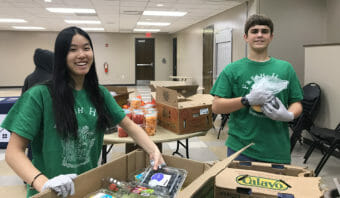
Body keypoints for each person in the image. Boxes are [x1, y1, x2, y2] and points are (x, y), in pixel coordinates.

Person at [2, 26, 165, 198]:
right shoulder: (39, 95)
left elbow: (129, 125)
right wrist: (43, 183)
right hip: (49, 192)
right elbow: (13, 152)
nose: (81, 54)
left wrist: (153, 150)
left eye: (86, 48)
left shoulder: (99, 94)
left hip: (87, 188)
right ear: (61, 56)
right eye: (72, 50)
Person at [210, 14, 303, 164]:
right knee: (242, 188)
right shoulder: (232, 70)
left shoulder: (286, 68)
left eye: (264, 31)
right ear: (246, 37)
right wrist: (246, 100)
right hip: (241, 149)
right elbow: (216, 106)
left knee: (274, 188)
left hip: (276, 149)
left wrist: (289, 115)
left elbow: (296, 102)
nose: (259, 35)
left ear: (271, 37)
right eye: (254, 31)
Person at [22, 48, 54, 162]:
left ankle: (31, 176)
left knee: (33, 149)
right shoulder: (54, 79)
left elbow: (23, 101)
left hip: (32, 122)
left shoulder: (29, 78)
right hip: (51, 122)